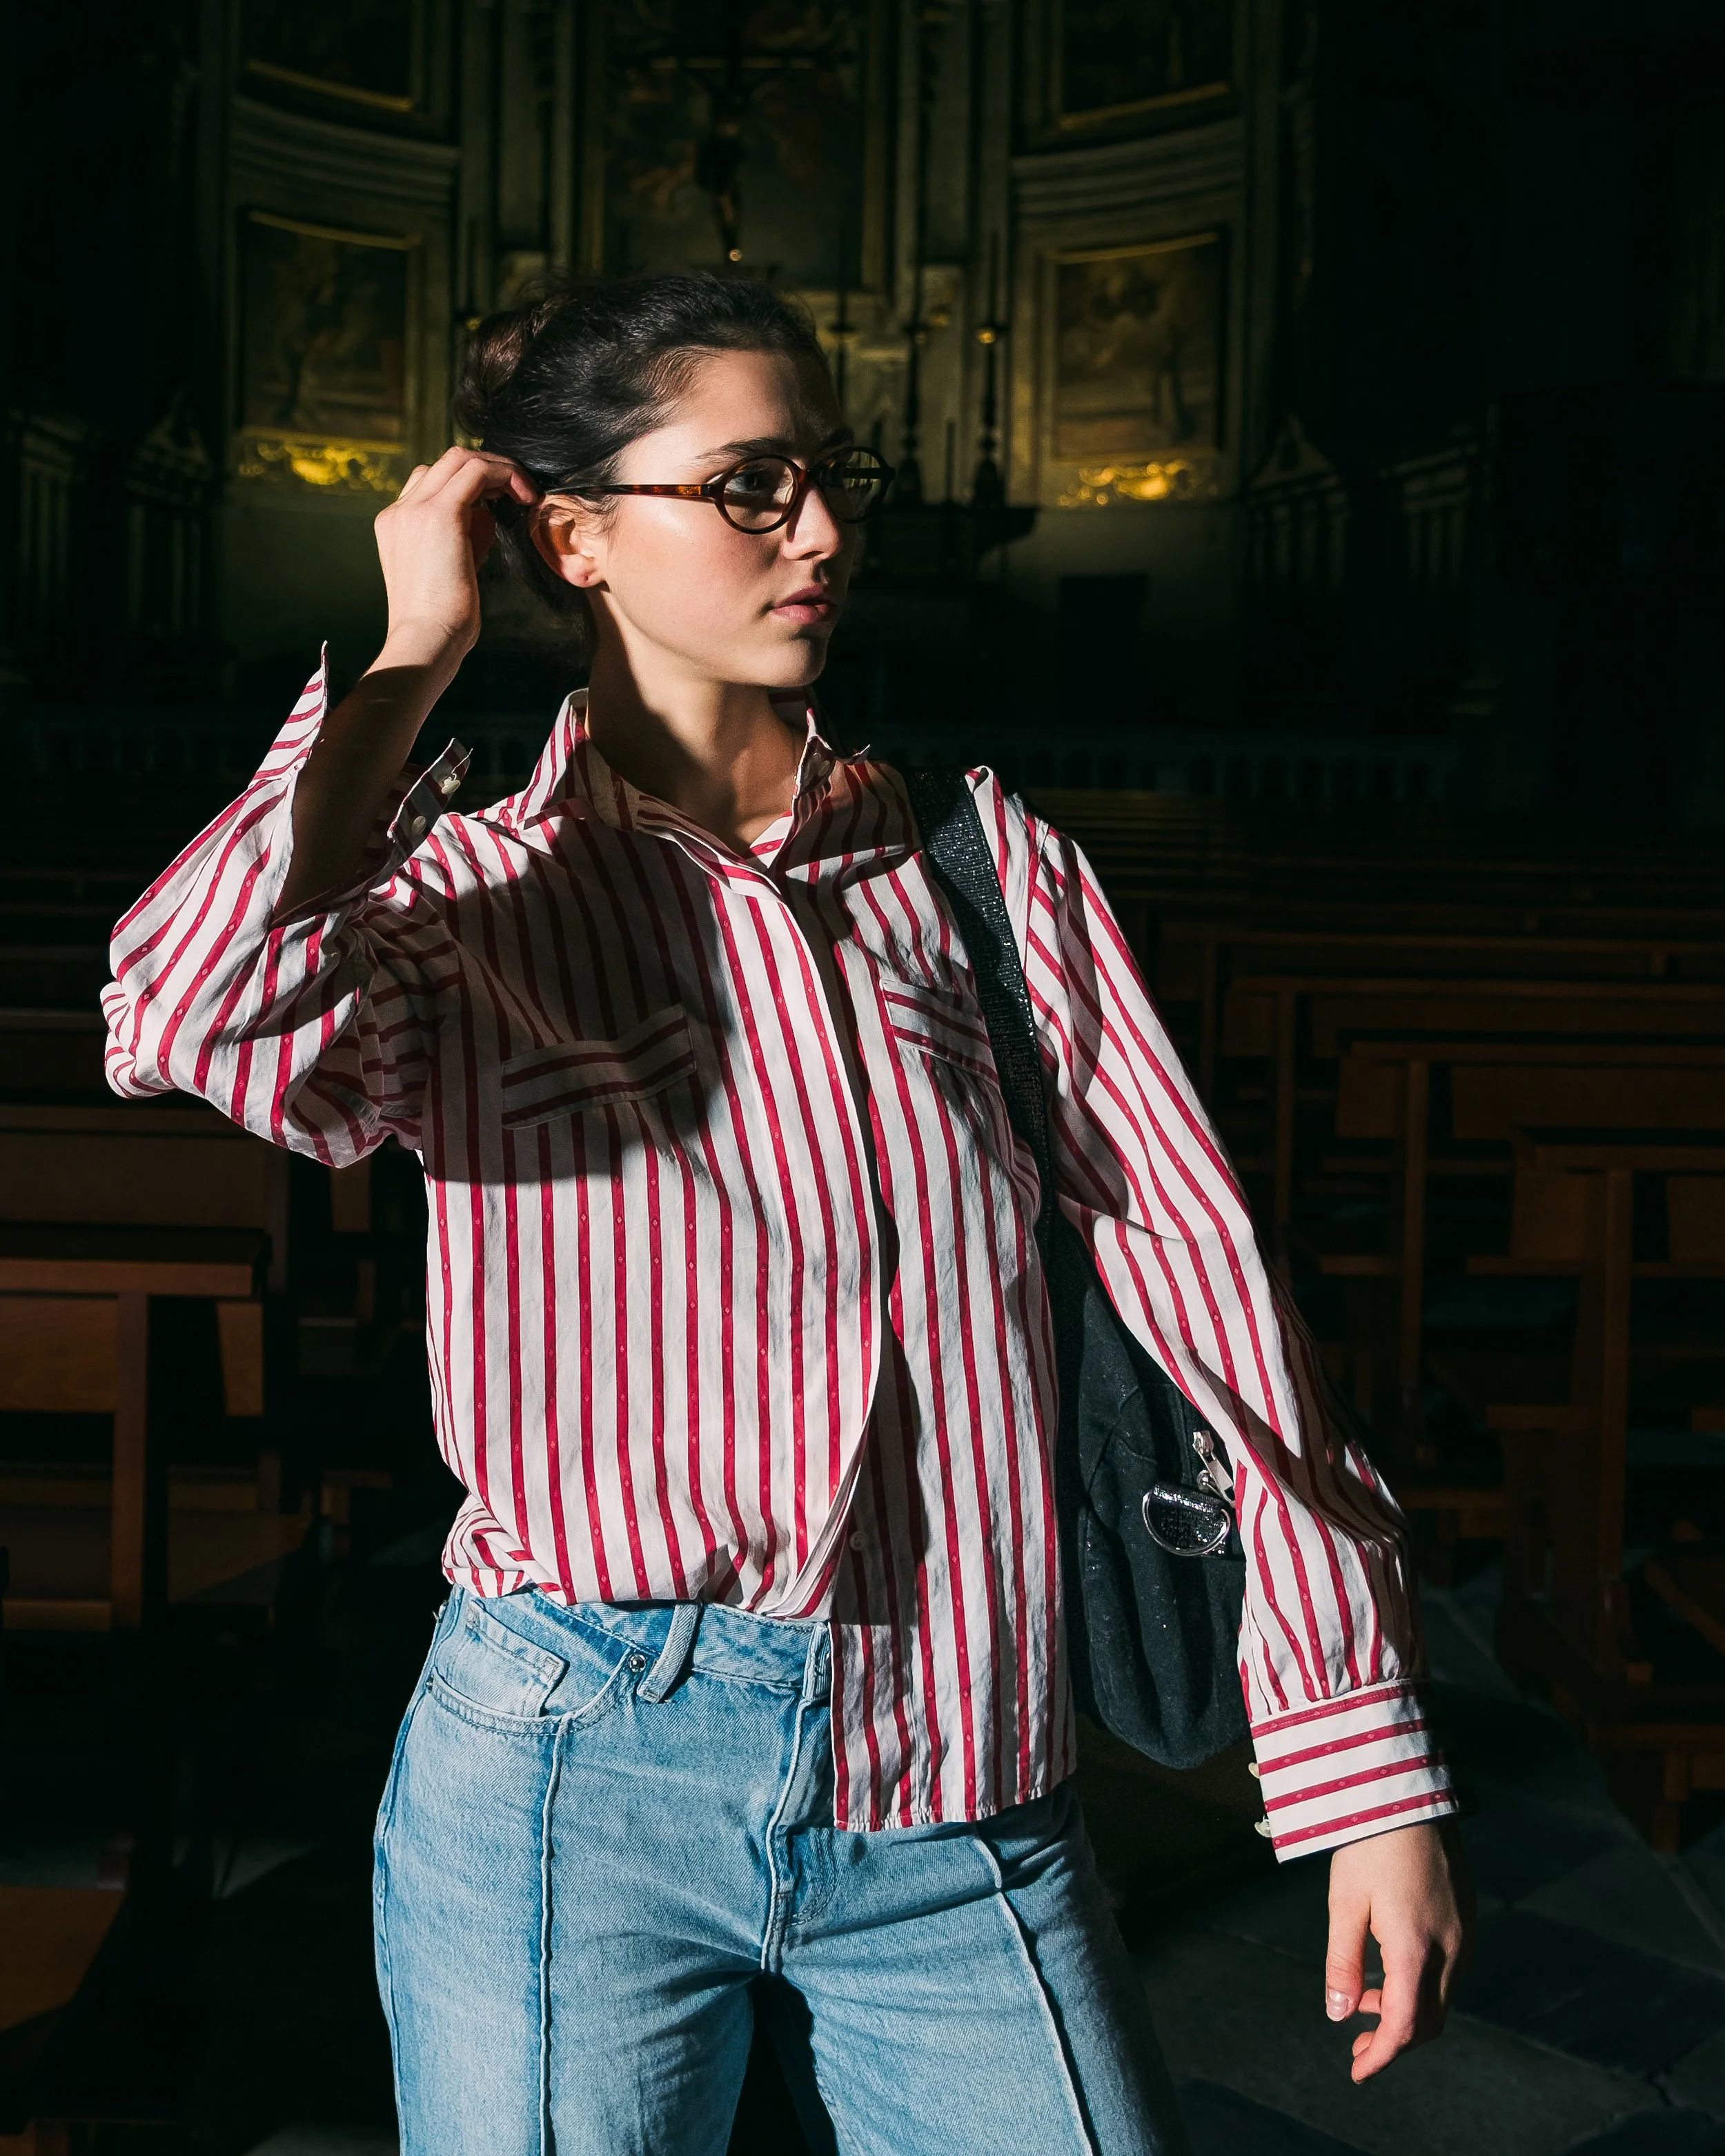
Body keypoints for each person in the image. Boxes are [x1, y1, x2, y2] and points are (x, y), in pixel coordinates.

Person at [103, 274, 1472, 2156]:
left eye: (825, 476)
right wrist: (417, 647)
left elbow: (1211, 1305)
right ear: (570, 533)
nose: (818, 529)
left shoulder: (987, 879)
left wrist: (1357, 1765)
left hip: (963, 1770)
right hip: (575, 1771)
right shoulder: (463, 906)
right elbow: (180, 1020)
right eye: (746, 484)